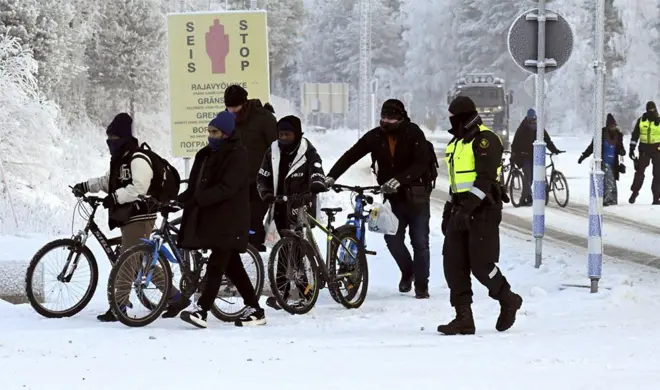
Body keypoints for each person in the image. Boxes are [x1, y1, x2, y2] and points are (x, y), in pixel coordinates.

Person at [73, 113, 182, 322]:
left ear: (122, 137)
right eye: (109, 138)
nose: (110, 142)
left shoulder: (137, 158)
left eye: (114, 138)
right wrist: (86, 186)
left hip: (141, 214)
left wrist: (115, 198)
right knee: (139, 261)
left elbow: (139, 187)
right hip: (129, 215)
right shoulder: (120, 159)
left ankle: (119, 306)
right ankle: (175, 296)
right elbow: (108, 181)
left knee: (127, 260)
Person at [325, 99, 432, 299]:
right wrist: (332, 176)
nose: (386, 122)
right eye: (383, 117)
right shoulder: (376, 136)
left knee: (420, 241)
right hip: (393, 198)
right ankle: (408, 271)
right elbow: (351, 155)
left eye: (391, 118)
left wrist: (399, 179)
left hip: (417, 196)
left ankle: (422, 285)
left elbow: (422, 163)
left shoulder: (414, 133)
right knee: (392, 238)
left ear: (400, 117)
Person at [437, 96, 522, 336]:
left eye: (453, 118)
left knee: (481, 265)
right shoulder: (456, 143)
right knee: (453, 264)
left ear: (463, 117)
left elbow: (484, 179)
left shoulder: (486, 140)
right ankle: (463, 318)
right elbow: (457, 182)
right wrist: (450, 209)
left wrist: (468, 208)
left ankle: (507, 298)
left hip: (483, 209)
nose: (451, 121)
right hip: (459, 210)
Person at [176, 111, 266, 328]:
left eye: (214, 132)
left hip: (232, 220)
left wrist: (198, 200)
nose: (210, 136)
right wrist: (180, 200)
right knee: (232, 266)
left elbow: (227, 188)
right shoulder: (205, 155)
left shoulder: (238, 155)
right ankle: (255, 309)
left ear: (226, 133)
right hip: (215, 219)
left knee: (217, 264)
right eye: (209, 132)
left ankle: (202, 309)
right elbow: (195, 186)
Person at [256, 115, 327, 309]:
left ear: (297, 134)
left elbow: (317, 169)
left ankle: (296, 290)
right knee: (285, 246)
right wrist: (266, 193)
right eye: (281, 134)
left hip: (302, 203)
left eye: (288, 134)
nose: (284, 138)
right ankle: (288, 290)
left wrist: (317, 182)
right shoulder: (272, 151)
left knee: (296, 248)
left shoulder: (307, 150)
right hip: (280, 204)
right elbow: (262, 177)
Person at [224, 85, 278, 251]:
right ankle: (249, 252)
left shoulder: (264, 118)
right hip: (238, 181)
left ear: (244, 103)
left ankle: (257, 251)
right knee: (236, 220)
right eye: (229, 107)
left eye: (235, 107)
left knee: (254, 218)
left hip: (261, 180)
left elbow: (276, 148)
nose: (232, 111)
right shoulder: (226, 120)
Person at [511, 108, 564, 206]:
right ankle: (528, 197)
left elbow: (547, 140)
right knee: (528, 178)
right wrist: (514, 157)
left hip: (536, 157)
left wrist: (554, 150)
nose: (534, 122)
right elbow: (515, 144)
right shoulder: (522, 129)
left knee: (536, 177)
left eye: (535, 120)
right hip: (525, 157)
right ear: (528, 119)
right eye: (532, 120)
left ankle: (525, 198)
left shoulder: (539, 129)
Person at [578, 113, 626, 206]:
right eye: (611, 126)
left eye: (614, 126)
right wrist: (583, 156)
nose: (613, 127)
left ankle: (613, 200)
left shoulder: (618, 136)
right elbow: (592, 147)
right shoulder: (601, 135)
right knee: (609, 181)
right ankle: (606, 200)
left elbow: (621, 148)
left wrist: (622, 151)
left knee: (613, 182)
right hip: (603, 162)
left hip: (614, 163)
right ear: (607, 126)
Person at [629, 101, 660, 204]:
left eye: (653, 109)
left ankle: (656, 197)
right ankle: (635, 192)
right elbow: (635, 135)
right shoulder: (641, 121)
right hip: (644, 149)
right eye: (649, 110)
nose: (651, 111)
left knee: (657, 174)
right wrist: (631, 148)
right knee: (639, 172)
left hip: (657, 149)